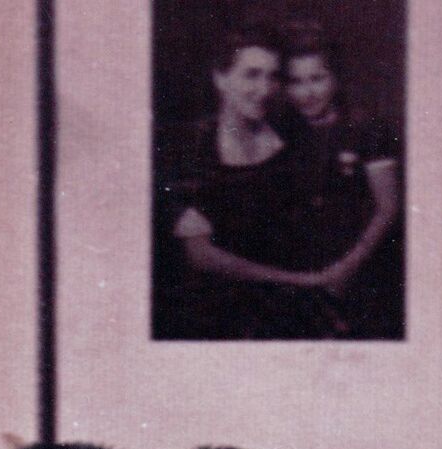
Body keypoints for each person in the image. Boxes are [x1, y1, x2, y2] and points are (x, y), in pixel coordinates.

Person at [159, 29, 345, 340]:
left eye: (272, 77)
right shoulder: (190, 148)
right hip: (221, 312)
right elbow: (200, 256)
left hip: (296, 306)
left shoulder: (290, 135)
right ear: (220, 78)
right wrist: (305, 281)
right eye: (251, 75)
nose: (265, 89)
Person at [278, 30, 403, 339]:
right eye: (296, 82)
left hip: (363, 272)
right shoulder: (282, 131)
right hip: (304, 276)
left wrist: (345, 269)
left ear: (334, 79)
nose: (307, 93)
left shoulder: (367, 128)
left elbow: (388, 208)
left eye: (316, 79)